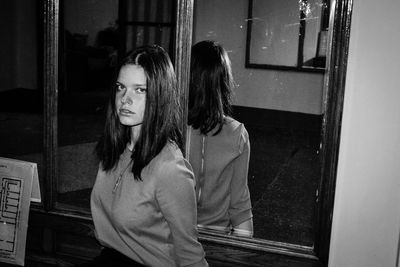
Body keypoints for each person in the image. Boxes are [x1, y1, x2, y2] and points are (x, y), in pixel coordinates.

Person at [84, 45, 208, 267]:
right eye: (121, 87)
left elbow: (190, 254)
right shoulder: (114, 148)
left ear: (160, 97)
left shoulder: (170, 169)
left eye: (140, 90)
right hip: (112, 258)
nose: (125, 99)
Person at [187, 40, 253, 237]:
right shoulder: (237, 132)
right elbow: (240, 205)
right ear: (224, 82)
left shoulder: (169, 127)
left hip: (170, 235)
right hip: (215, 236)